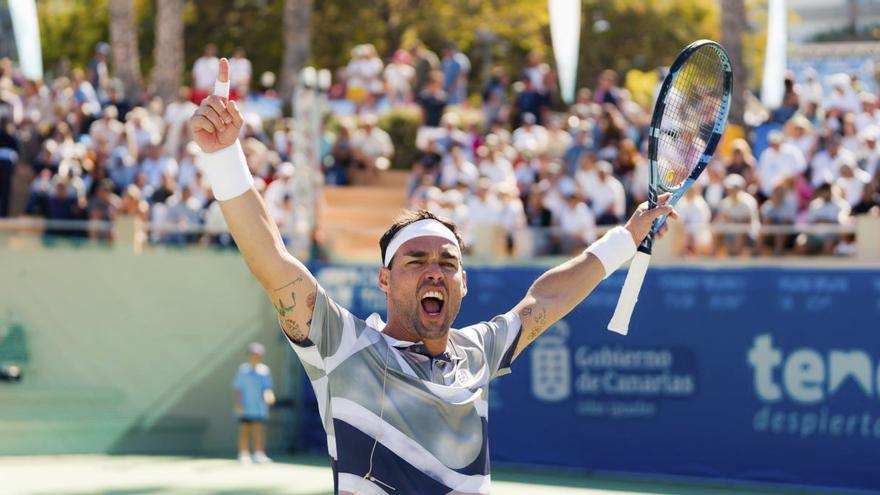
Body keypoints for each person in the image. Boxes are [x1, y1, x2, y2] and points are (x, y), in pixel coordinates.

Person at [191, 58, 676, 494]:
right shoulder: (343, 346)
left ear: (464, 283)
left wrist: (627, 237)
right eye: (416, 261)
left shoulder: (477, 352)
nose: (434, 273)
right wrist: (224, 158)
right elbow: (272, 262)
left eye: (447, 263)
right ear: (384, 280)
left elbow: (545, 299)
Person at [233, 341, 275, 465]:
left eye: (259, 355)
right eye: (254, 354)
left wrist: (269, 395)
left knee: (258, 429)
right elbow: (237, 389)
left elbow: (267, 387)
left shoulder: (265, 371)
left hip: (259, 407)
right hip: (245, 406)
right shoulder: (242, 370)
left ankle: (258, 454)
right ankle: (243, 454)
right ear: (249, 355)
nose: (256, 357)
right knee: (244, 430)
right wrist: (238, 404)